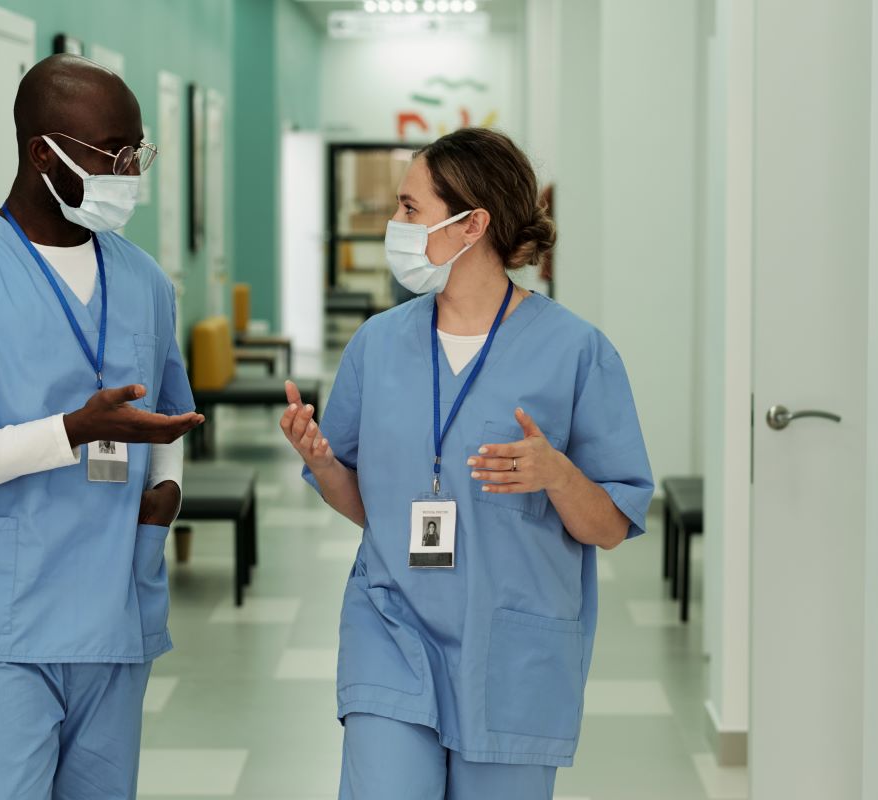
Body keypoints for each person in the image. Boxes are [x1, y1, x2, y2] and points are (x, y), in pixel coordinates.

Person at [280, 127, 653, 800]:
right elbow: (369, 503)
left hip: (509, 645)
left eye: (409, 207)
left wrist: (557, 474)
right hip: (389, 626)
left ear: (472, 223)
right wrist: (325, 462)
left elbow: (611, 526)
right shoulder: (378, 344)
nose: (393, 224)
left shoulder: (576, 353)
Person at [0, 54, 204, 799]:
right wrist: (69, 432)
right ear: (41, 153)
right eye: (113, 152)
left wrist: (167, 495)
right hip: (2, 628)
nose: (129, 172)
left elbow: (166, 422)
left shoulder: (145, 281)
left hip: (114, 612)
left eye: (137, 151)